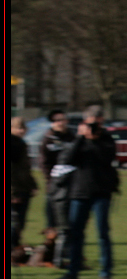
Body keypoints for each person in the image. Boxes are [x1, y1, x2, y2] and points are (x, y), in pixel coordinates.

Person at [56, 105, 119, 279]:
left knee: (102, 232)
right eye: (90, 123)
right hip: (79, 191)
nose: (94, 127)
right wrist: (81, 138)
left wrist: (94, 139)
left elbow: (106, 158)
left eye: (97, 123)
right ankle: (73, 271)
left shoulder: (106, 138)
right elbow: (67, 159)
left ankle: (105, 272)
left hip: (101, 192)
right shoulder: (79, 139)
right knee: (76, 233)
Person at [40, 109, 76, 267]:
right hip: (55, 186)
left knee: (70, 224)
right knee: (53, 223)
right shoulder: (48, 139)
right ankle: (52, 255)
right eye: (58, 120)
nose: (61, 122)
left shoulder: (73, 137)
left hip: (73, 185)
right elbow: (44, 163)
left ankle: (69, 254)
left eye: (63, 119)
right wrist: (51, 182)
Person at [9, 116, 38, 253]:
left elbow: (25, 168)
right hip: (15, 190)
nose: (21, 131)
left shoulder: (21, 143)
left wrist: (32, 185)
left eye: (23, 128)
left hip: (23, 188)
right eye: (18, 128)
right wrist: (12, 193)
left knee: (20, 222)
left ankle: (15, 246)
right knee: (14, 221)